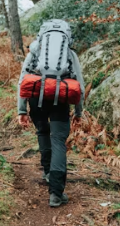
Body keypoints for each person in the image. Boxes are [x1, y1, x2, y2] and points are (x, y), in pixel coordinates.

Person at [17, 24, 84, 207]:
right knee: (58, 141)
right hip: (60, 99)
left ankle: (47, 172)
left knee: (42, 132)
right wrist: (78, 111)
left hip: (36, 99)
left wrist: (21, 110)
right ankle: (56, 193)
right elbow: (79, 84)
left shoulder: (34, 50)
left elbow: (23, 80)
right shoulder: (70, 53)